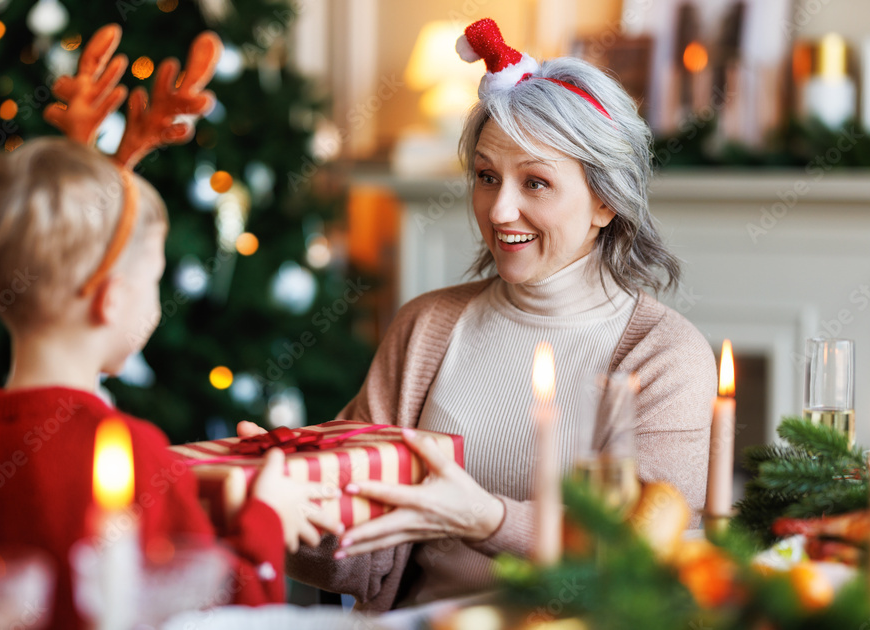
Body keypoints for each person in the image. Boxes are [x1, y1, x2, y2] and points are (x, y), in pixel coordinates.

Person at [279, 18, 717, 612]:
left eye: (535, 182)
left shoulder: (666, 357)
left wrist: (485, 518)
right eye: (487, 177)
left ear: (606, 201)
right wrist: (290, 501)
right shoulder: (426, 327)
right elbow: (356, 564)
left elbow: (645, 563)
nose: (500, 209)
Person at [0, 26, 341, 630]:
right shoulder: (126, 454)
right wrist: (267, 518)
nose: (160, 295)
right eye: (154, 277)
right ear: (110, 300)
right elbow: (224, 610)